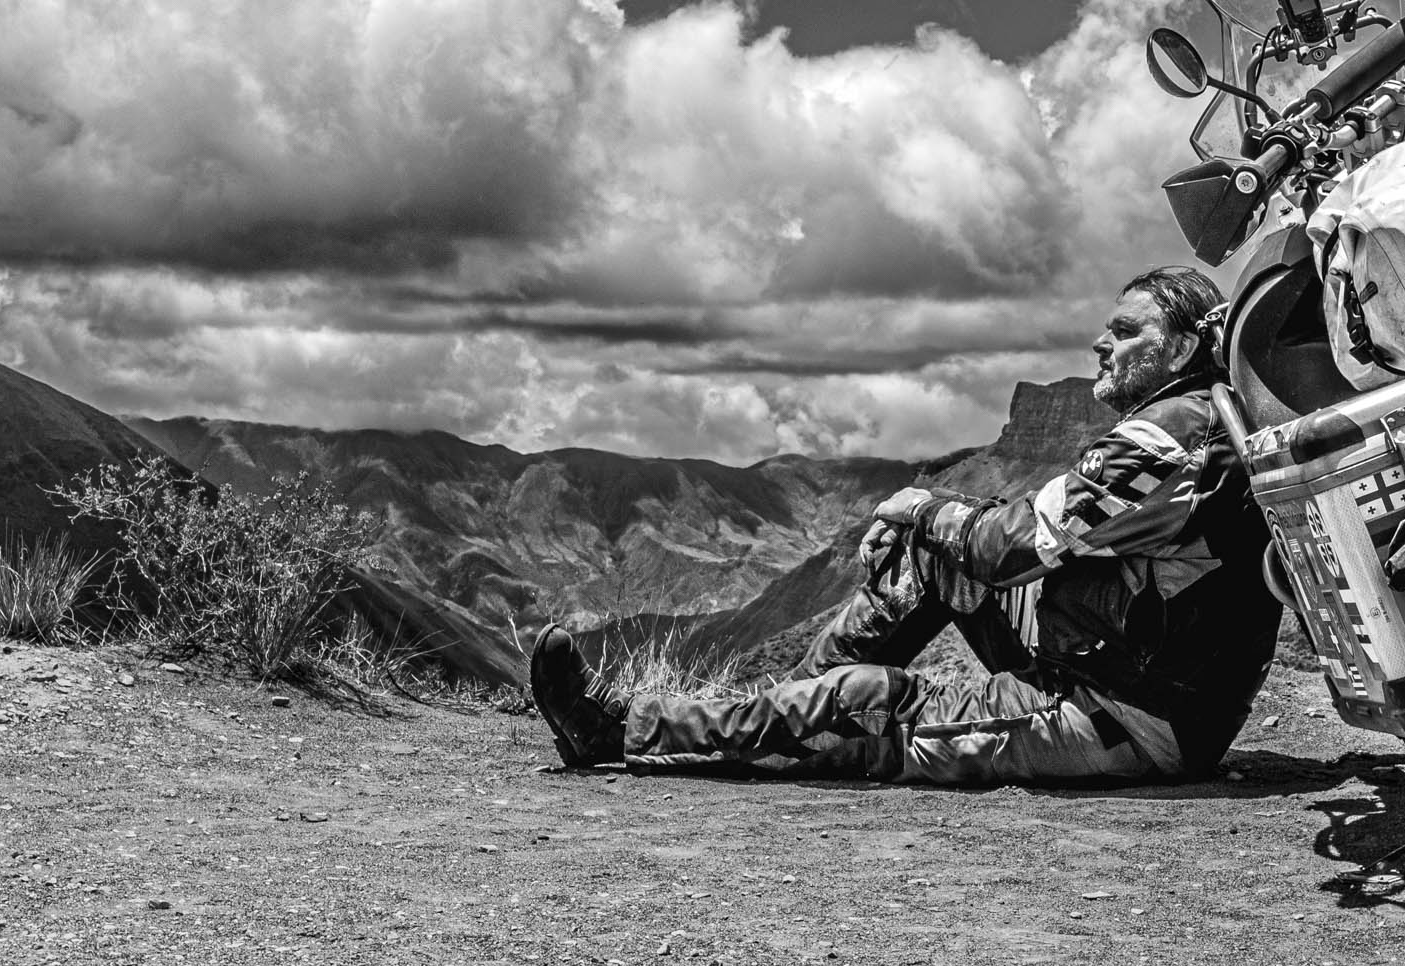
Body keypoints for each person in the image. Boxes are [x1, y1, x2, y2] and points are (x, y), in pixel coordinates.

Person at [531, 265, 1283, 785]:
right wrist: (928, 525)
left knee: (868, 704)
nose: (1101, 344)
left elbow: (1015, 545)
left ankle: (621, 732)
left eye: (1125, 332)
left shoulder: (1171, 438)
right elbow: (1009, 538)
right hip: (1108, 662)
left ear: (1183, 347)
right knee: (932, 557)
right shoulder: (1190, 421)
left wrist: (919, 507)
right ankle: (771, 724)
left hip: (1122, 718)